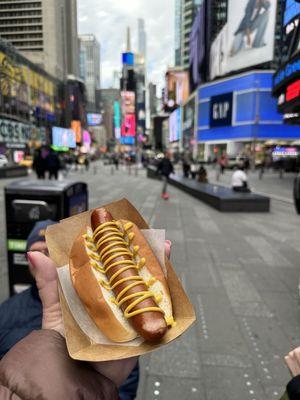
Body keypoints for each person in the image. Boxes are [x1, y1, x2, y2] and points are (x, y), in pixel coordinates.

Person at [0, 220, 165, 400]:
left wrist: (106, 388)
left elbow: (127, 386)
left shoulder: (95, 307)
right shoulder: (5, 311)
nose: (43, 256)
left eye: (48, 250)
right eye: (35, 251)